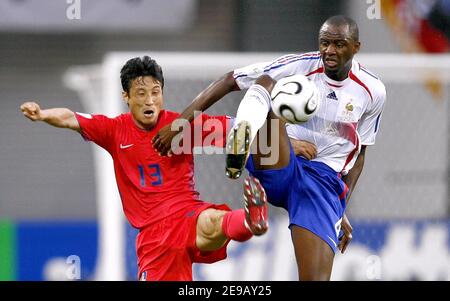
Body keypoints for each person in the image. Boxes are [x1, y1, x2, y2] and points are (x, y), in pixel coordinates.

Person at [152, 16, 387, 280]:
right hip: (280, 159)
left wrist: (341, 207)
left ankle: (251, 135)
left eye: (339, 44)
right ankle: (244, 131)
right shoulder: (300, 66)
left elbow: (360, 153)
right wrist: (179, 124)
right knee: (266, 82)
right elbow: (231, 80)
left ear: (356, 47)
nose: (329, 51)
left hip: (322, 183)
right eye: (324, 43)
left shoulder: (372, 91)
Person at [20, 56, 269, 281]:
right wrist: (42, 114)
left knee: (212, 220)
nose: (150, 100)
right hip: (154, 237)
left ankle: (249, 221)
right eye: (140, 93)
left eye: (155, 92)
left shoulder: (180, 125)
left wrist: (291, 143)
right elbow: (69, 118)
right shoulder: (114, 130)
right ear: (125, 96)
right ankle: (245, 222)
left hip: (186, 216)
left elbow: (242, 127)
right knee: (211, 224)